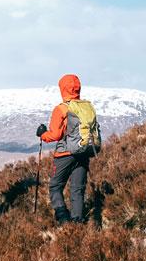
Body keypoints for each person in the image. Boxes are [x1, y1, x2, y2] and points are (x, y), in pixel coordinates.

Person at [36, 74, 100, 224]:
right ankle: (77, 223)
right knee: (77, 189)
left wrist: (42, 134)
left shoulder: (61, 109)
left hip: (64, 154)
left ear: (62, 89)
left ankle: (64, 220)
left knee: (55, 186)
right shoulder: (87, 107)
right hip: (83, 152)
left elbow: (56, 135)